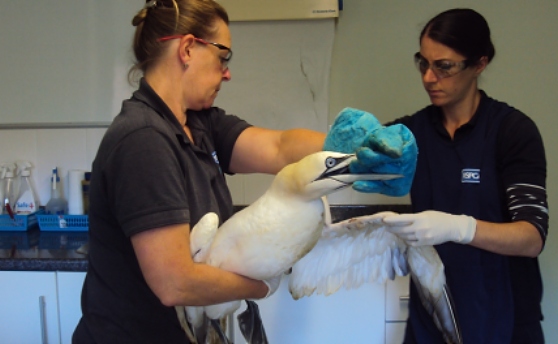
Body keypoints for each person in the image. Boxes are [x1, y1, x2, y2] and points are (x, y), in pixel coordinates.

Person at [71, 1, 415, 343]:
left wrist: (354, 149)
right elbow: (175, 282)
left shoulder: (200, 123)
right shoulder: (143, 140)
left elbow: (279, 148)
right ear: (188, 48)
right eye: (223, 57)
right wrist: (264, 286)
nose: (227, 72)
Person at [382, 8, 548, 344]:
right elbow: (349, 155)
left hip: (506, 316)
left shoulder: (512, 131)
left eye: (443, 66)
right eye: (423, 63)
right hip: (433, 314)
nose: (429, 77)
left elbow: (531, 237)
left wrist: (460, 228)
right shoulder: (412, 134)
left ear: (479, 64)